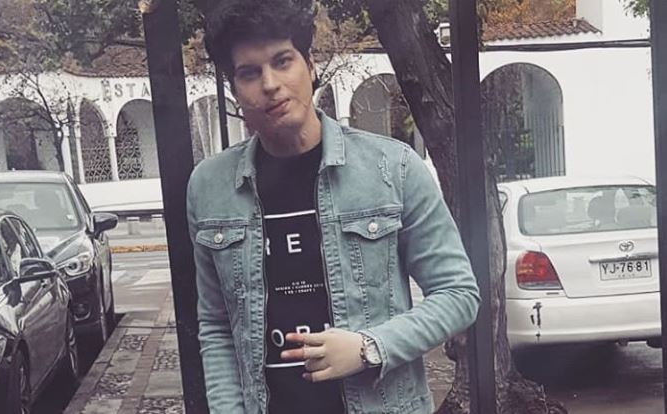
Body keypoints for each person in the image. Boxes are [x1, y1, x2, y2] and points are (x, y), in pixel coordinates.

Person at [186, 1, 481, 413]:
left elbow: (458, 294)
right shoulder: (209, 187)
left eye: (282, 61)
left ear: (310, 65)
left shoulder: (392, 169)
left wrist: (368, 347)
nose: (270, 84)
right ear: (235, 89)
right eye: (249, 73)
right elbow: (217, 325)